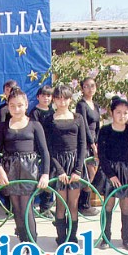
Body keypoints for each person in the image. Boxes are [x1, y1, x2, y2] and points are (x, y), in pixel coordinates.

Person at [0, 87, 50, 255]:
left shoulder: (35, 125)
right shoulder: (3, 126)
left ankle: (32, 246)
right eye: (12, 106)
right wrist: (0, 169)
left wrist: (45, 174)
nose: (16, 109)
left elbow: (45, 152)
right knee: (16, 209)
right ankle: (24, 242)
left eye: (19, 105)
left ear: (26, 105)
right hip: (10, 170)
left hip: (28, 170)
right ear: (8, 106)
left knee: (26, 208)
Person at [94, 96, 128, 251]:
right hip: (110, 172)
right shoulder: (105, 130)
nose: (122, 116)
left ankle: (126, 239)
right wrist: (110, 175)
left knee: (125, 205)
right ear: (112, 113)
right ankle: (105, 237)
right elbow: (102, 155)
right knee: (108, 204)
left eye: (125, 113)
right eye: (118, 112)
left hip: (127, 171)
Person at [43, 85, 86, 245]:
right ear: (54, 99)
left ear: (70, 99)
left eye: (65, 98)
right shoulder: (49, 120)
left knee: (73, 205)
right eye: (59, 98)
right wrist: (59, 170)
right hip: (58, 163)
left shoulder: (78, 118)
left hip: (75, 163)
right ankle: (61, 238)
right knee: (61, 204)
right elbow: (47, 148)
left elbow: (83, 144)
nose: (62, 101)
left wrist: (78, 169)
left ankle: (72, 238)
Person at [75, 77, 101, 216]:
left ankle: (85, 203)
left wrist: (98, 142)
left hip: (95, 141)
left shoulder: (95, 105)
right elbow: (84, 125)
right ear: (82, 88)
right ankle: (82, 205)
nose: (90, 89)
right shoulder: (81, 105)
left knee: (93, 173)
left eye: (92, 86)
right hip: (85, 142)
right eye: (86, 86)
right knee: (88, 173)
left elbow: (97, 125)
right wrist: (91, 144)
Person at [29, 84, 55, 218]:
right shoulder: (34, 112)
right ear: (38, 97)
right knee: (37, 177)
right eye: (43, 95)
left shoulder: (53, 111)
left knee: (49, 177)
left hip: (51, 148)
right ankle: (33, 206)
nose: (46, 98)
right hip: (38, 149)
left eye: (48, 95)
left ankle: (46, 206)